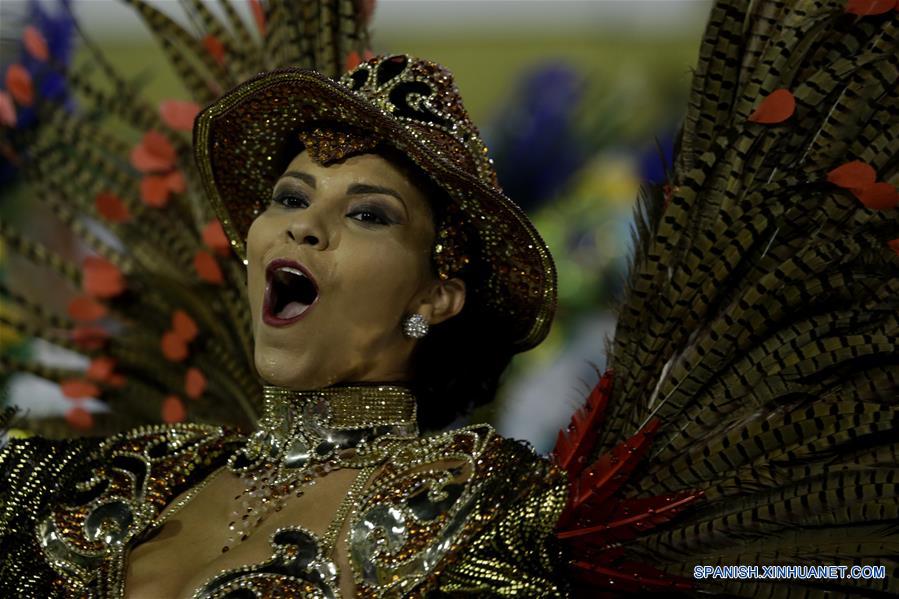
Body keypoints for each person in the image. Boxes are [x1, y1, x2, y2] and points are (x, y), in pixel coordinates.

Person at [2, 1, 897, 598]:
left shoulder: (487, 522)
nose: (303, 227)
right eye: (287, 197)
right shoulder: (108, 476)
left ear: (436, 290)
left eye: (365, 212)